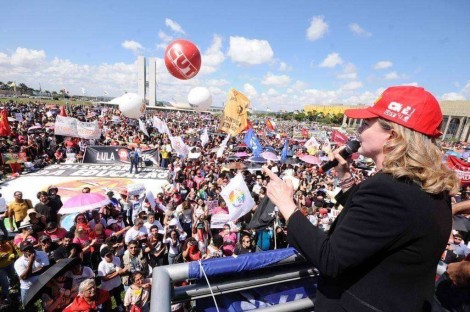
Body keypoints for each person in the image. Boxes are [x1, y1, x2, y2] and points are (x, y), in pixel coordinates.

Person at [263, 86, 460, 311]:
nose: (359, 131)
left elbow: (330, 259)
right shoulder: (429, 188)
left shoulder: (389, 189)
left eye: (366, 124)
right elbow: (378, 226)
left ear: (393, 136)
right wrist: (345, 178)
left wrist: (287, 205)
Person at [14, 241, 50, 306]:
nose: (29, 250)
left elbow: (45, 268)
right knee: (27, 306)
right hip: (27, 287)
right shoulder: (18, 262)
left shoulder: (42, 254)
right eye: (26, 249)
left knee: (46, 304)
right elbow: (24, 278)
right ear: (22, 251)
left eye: (30, 248)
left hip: (42, 284)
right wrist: (30, 262)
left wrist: (28, 274)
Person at [97, 247, 126, 311]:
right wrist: (117, 273)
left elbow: (119, 269)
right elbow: (104, 278)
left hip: (116, 283)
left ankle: (120, 307)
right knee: (107, 301)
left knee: (118, 296)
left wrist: (114, 273)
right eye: (107, 255)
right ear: (103, 257)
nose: (110, 256)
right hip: (107, 287)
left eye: (111, 254)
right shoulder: (101, 265)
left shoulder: (117, 259)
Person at [0, 236, 17, 305]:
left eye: (2, 243)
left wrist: (13, 256)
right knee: (5, 283)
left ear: (5, 241)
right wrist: (1, 258)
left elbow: (15, 253)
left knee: (12, 277)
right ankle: (6, 297)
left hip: (10, 264)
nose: (0, 245)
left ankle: (12, 288)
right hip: (0, 268)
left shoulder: (9, 244)